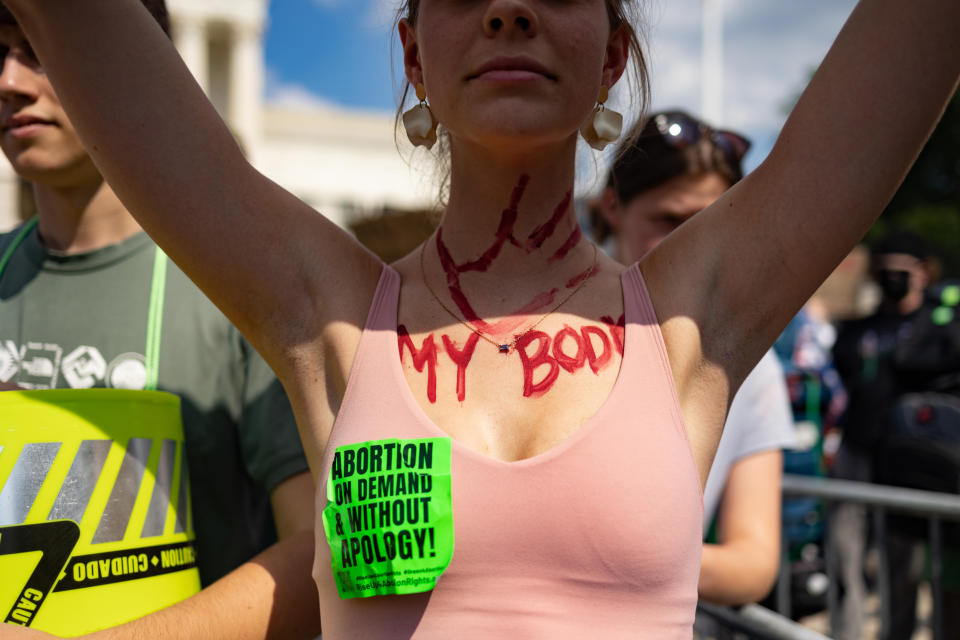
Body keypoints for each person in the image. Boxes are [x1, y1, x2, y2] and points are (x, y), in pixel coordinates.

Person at [3, 0, 957, 636]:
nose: (508, 6)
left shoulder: (690, 321)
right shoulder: (328, 320)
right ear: (415, 51)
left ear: (613, 53)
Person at [0, 2, 321, 638]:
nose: (10, 82)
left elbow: (324, 549)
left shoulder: (234, 294)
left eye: (39, 51)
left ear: (138, 69)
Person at [596, 110, 796, 606]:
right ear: (612, 206)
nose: (691, 244)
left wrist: (623, 556)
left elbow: (753, 563)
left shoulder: (748, 364)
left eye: (711, 223)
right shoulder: (535, 335)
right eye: (669, 220)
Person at [830, 231, 953, 640]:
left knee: (902, 569)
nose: (893, 279)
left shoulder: (938, 328)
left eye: (902, 271)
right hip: (856, 453)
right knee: (844, 558)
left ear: (923, 274)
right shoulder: (857, 330)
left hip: (910, 462)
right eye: (884, 271)